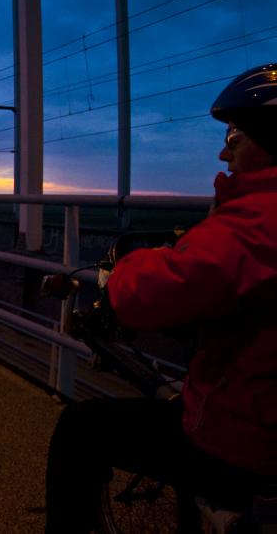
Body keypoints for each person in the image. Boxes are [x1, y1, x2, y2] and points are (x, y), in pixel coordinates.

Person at [45, 63, 277, 533]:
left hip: (247, 443)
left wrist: (123, 273)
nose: (223, 152)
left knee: (82, 429)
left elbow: (146, 294)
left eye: (234, 137)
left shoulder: (255, 224)